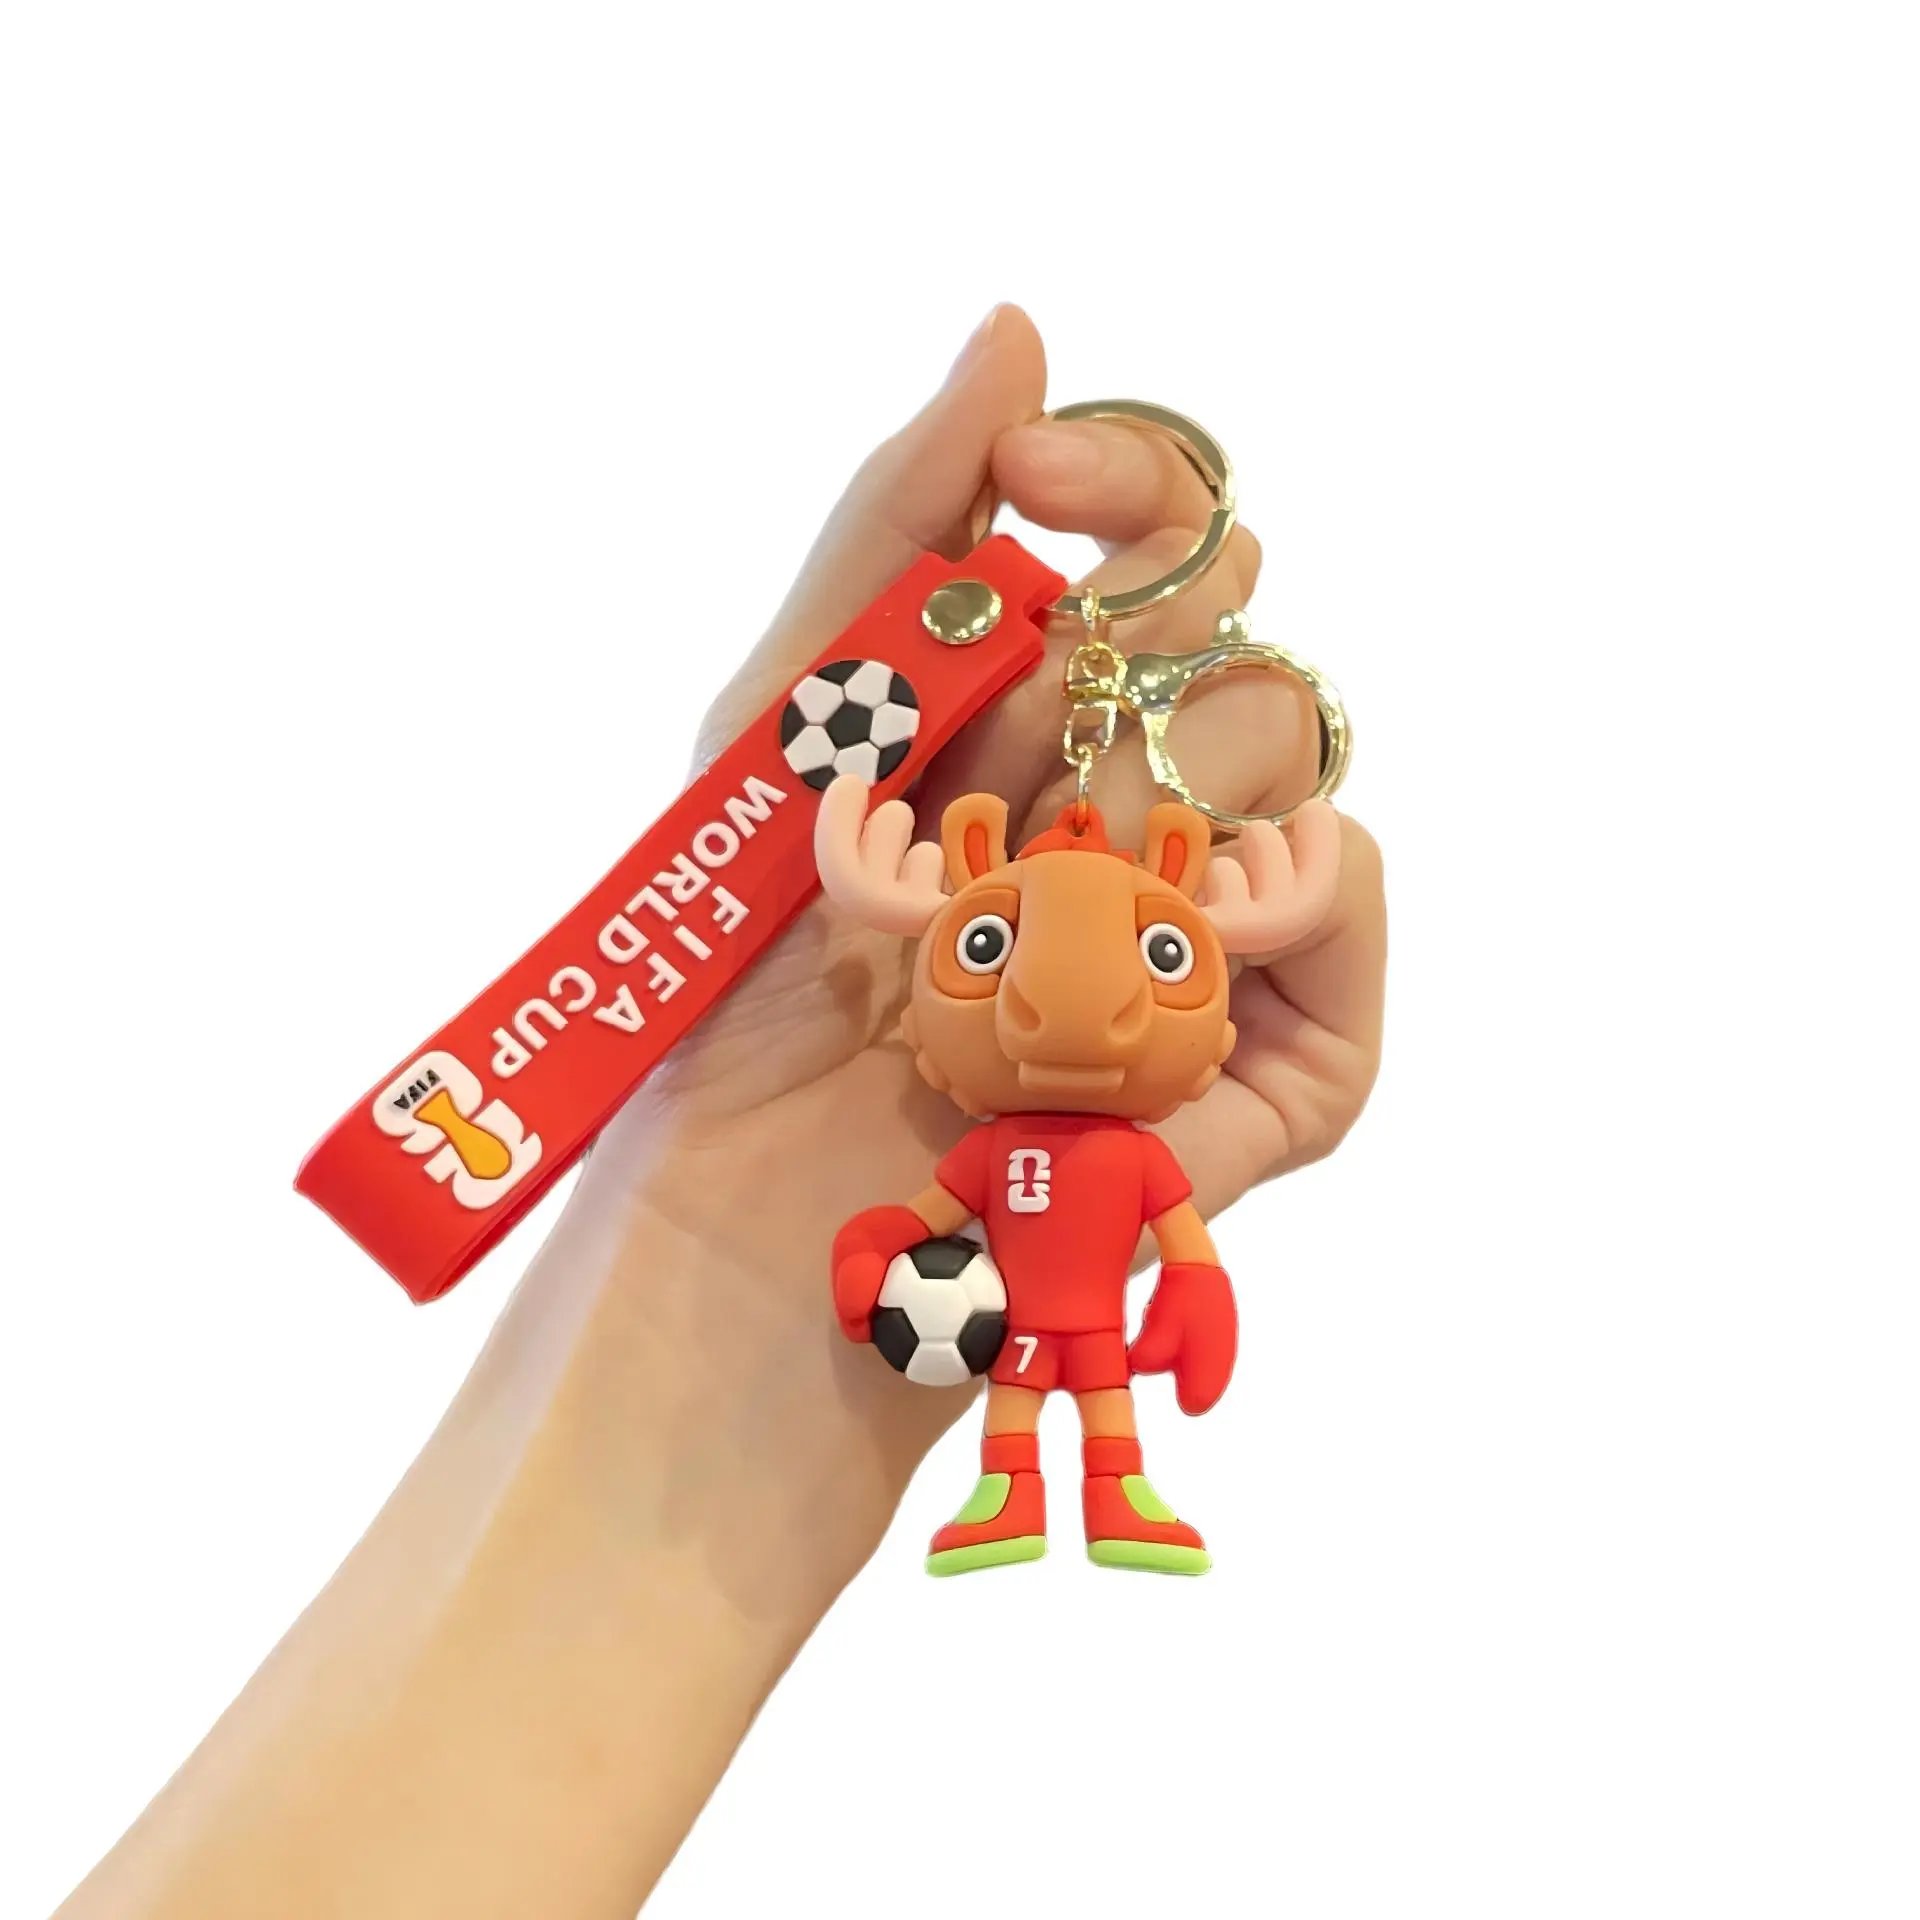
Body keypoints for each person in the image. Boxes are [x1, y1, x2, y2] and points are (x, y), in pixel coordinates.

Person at [55, 306, 1387, 1920]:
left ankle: (1107, 1486)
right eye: (989, 946)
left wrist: (760, 1333)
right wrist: (768, 1265)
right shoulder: (962, 1088)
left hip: (1036, 1319)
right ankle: (1039, 1485)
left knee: (1088, 1405)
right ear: (952, 890)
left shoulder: (1043, 1107)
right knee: (1059, 1409)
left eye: (1155, 959)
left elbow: (1133, 1231)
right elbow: (947, 1216)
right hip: (986, 1307)